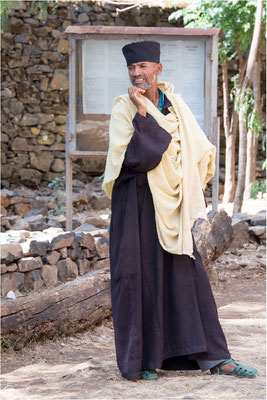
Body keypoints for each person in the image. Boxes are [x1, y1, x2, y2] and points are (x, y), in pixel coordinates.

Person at [102, 40, 258, 381]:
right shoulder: (122, 109)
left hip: (172, 206)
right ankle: (143, 360)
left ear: (158, 69)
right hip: (137, 203)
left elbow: (197, 150)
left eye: (143, 67)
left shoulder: (176, 106)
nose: (137, 73)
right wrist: (142, 115)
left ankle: (217, 358)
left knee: (188, 277)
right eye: (132, 68)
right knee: (138, 277)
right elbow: (133, 159)